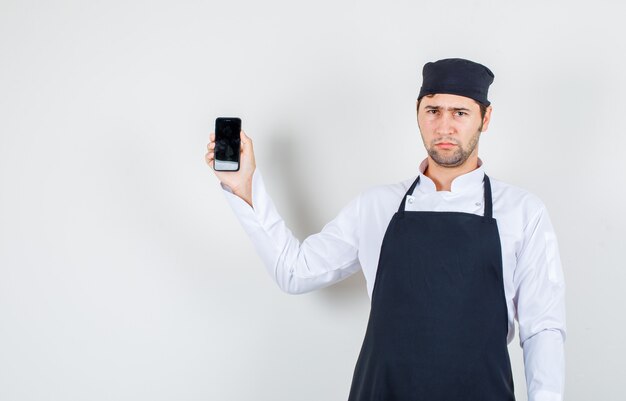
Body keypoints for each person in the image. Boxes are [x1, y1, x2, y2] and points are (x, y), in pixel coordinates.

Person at [205, 58, 566, 401]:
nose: (444, 127)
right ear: (418, 114)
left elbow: (542, 328)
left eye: (460, 113)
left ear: (485, 119)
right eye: (433, 111)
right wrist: (243, 185)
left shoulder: (523, 211)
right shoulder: (376, 206)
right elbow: (294, 271)